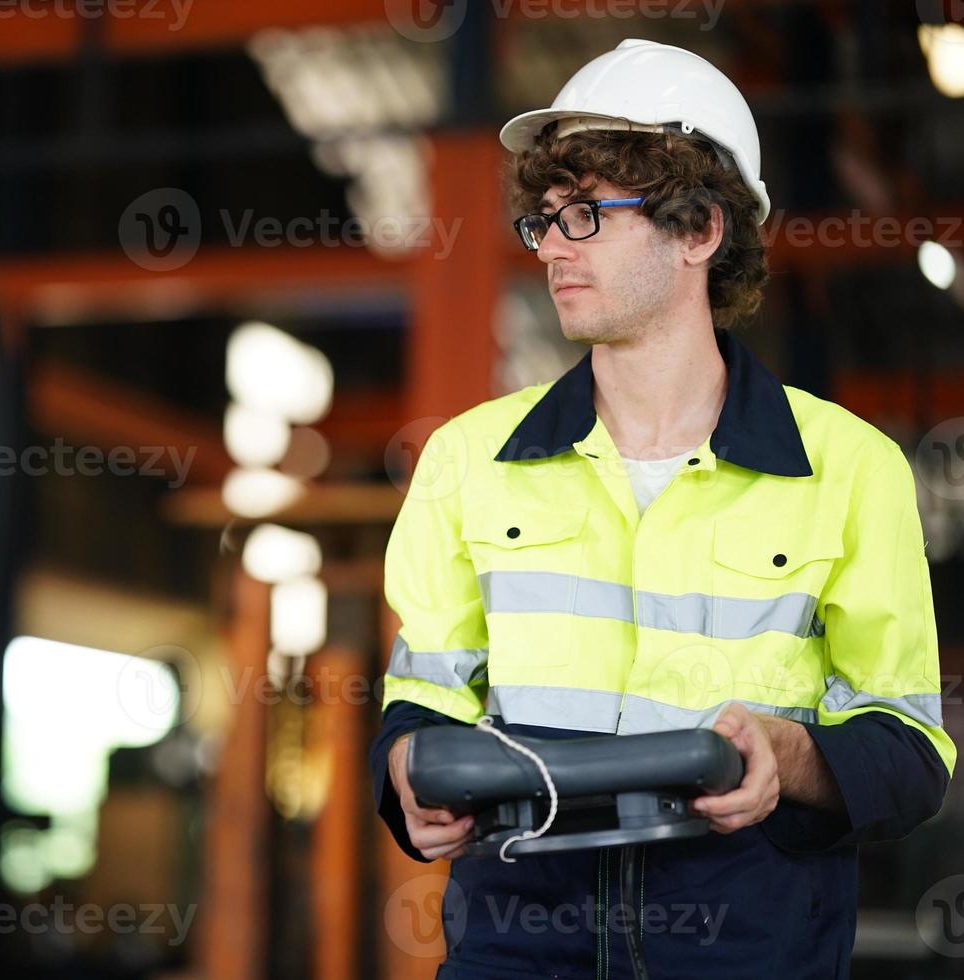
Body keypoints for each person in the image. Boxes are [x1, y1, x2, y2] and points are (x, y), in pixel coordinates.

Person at [369, 38, 954, 979]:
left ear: (698, 231)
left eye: (590, 216)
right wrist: (406, 778)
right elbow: (423, 698)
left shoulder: (848, 470)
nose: (554, 244)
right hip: (522, 950)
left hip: (748, 948)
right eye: (547, 218)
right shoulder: (466, 460)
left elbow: (911, 753)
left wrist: (788, 755)